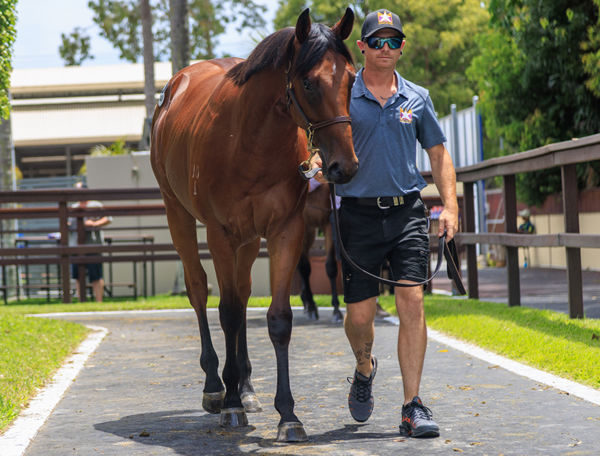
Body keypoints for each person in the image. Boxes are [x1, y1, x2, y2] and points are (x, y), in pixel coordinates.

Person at [313, 9, 458, 438]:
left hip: (407, 212)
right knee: (360, 316)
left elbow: (438, 154)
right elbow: (325, 142)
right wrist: (318, 163)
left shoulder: (418, 98)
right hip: (356, 215)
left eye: (393, 41)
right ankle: (364, 366)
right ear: (362, 47)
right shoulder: (343, 94)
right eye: (377, 41)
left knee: (411, 300)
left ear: (402, 47)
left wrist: (449, 206)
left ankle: (412, 406)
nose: (385, 49)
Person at [70, 181, 112, 302]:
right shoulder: (73, 207)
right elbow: (68, 223)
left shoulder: (95, 204)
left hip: (93, 245)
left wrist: (94, 223)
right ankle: (81, 301)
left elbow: (108, 218)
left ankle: (99, 302)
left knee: (96, 276)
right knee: (78, 276)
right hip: (76, 245)